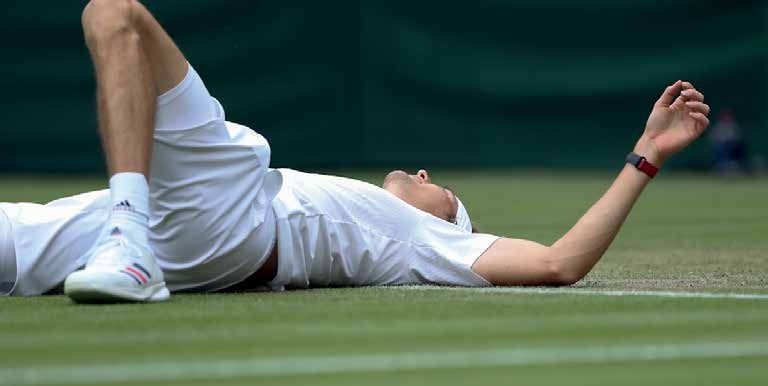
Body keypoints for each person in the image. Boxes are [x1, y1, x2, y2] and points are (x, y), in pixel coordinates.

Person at [0, 0, 710, 302]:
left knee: (114, 13)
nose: (428, 175)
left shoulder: (414, 240)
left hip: (225, 219)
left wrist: (645, 154)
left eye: (446, 193)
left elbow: (559, 263)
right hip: (158, 224)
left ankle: (129, 240)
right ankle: (125, 237)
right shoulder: (380, 213)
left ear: (445, 224)